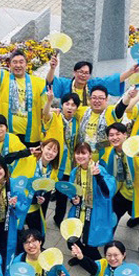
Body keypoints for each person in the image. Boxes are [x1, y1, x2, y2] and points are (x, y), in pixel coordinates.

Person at [103, 122, 139, 263]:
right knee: (111, 218)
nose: (114, 138)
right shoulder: (111, 153)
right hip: (122, 192)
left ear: (125, 135)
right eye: (111, 135)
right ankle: (107, 244)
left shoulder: (137, 150)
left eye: (118, 134)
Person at [67, 142, 116, 261]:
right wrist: (74, 199)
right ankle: (80, 257)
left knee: (90, 240)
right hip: (79, 210)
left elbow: (108, 191)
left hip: (95, 211)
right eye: (77, 153)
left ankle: (94, 264)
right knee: (76, 235)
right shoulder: (75, 171)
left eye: (83, 153)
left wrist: (98, 176)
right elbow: (71, 190)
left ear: (90, 155)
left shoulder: (98, 169)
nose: (80, 156)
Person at [42, 92, 80, 226]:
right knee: (44, 194)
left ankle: (58, 219)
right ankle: (40, 219)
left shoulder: (77, 121)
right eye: (67, 104)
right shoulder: (55, 116)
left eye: (73, 105)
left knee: (62, 196)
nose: (70, 107)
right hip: (52, 162)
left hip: (67, 165)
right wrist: (49, 102)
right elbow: (45, 114)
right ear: (62, 105)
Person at [11, 137, 62, 231]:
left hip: (34, 207)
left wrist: (43, 198)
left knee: (38, 234)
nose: (50, 153)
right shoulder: (29, 159)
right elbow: (7, 159)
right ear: (42, 148)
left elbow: (48, 188)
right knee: (17, 235)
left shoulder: (53, 170)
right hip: (19, 204)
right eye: (49, 148)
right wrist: (26, 152)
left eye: (54, 151)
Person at [46, 56, 135, 107]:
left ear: (89, 75)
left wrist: (131, 71)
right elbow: (50, 82)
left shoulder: (93, 85)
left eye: (86, 73)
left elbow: (113, 80)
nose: (83, 75)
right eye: (80, 72)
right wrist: (52, 68)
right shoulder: (65, 84)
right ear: (74, 72)